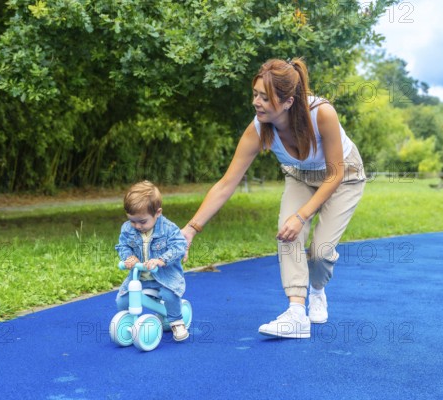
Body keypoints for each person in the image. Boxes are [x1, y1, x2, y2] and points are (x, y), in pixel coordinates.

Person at [181, 58, 366, 339]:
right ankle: (295, 313)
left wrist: (302, 215)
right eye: (255, 94)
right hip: (300, 175)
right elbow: (226, 184)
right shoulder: (259, 129)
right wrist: (191, 229)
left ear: (289, 101)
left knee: (320, 252)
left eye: (265, 98)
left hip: (343, 177)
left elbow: (335, 175)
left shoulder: (322, 113)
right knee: (288, 233)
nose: (256, 102)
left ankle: (317, 289)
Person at [115, 180, 190, 341]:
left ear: (158, 213)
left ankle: (177, 321)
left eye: (142, 221)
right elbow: (122, 246)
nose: (137, 225)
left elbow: (179, 246)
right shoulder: (127, 229)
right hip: (140, 277)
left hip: (164, 277)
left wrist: (162, 260)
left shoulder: (169, 229)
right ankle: (128, 322)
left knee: (169, 295)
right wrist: (128, 257)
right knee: (122, 301)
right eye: (132, 220)